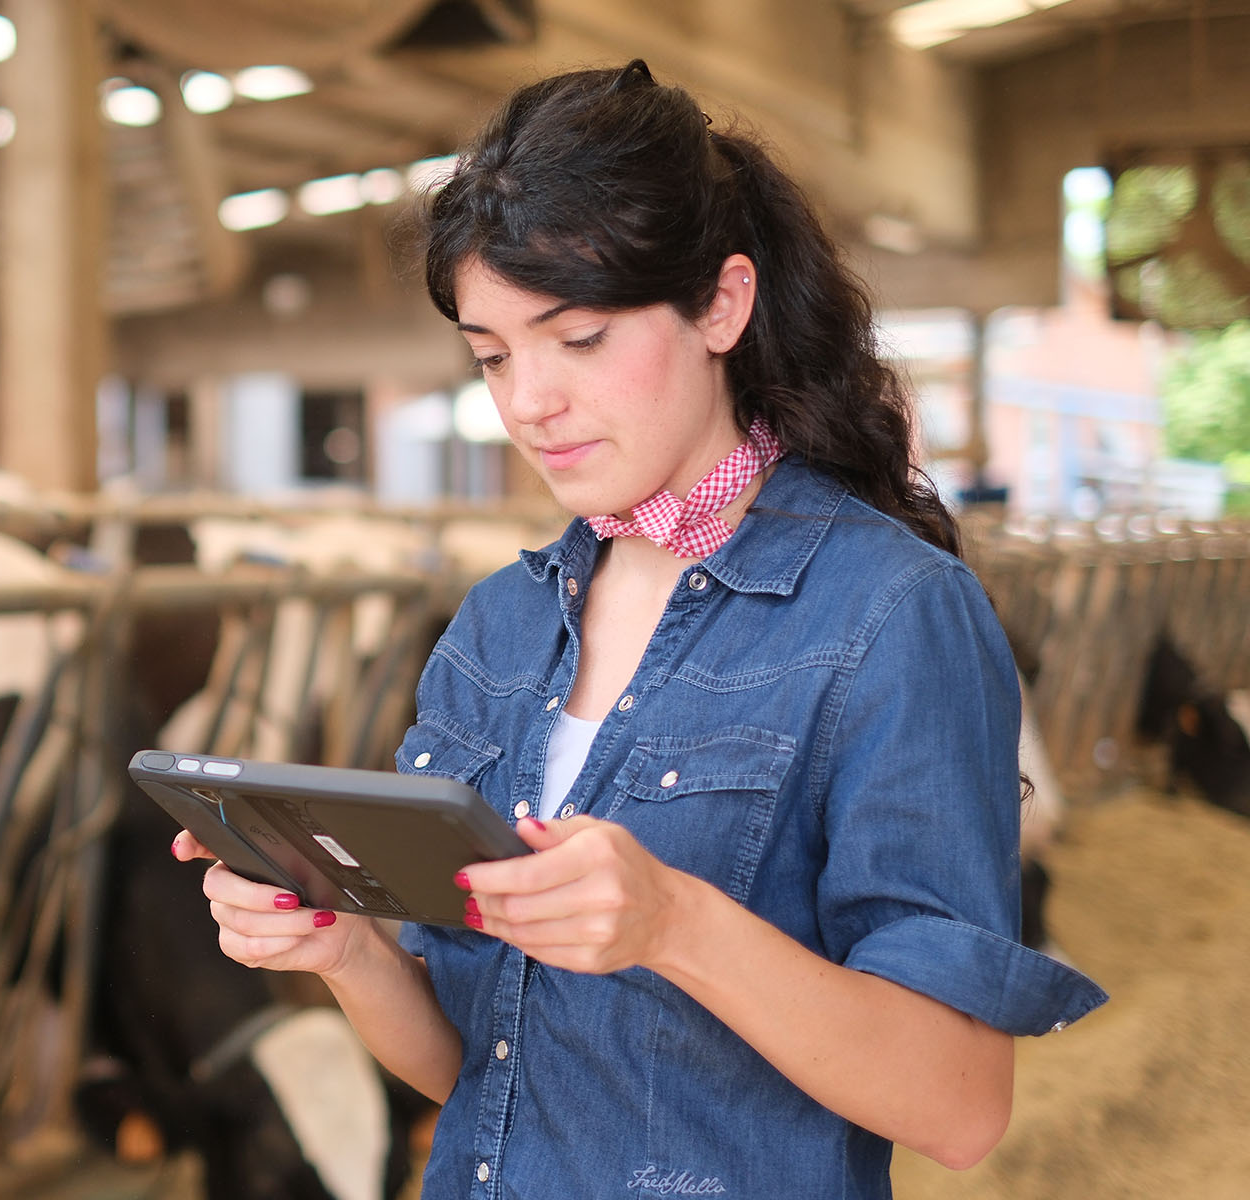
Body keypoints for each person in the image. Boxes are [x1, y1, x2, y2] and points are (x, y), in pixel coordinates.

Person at [171, 59, 1106, 1198]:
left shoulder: (891, 615)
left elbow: (959, 1105)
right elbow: (475, 1071)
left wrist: (674, 925)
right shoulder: (497, 628)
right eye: (493, 355)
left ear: (722, 302)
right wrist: (347, 950)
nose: (527, 403)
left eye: (578, 339)